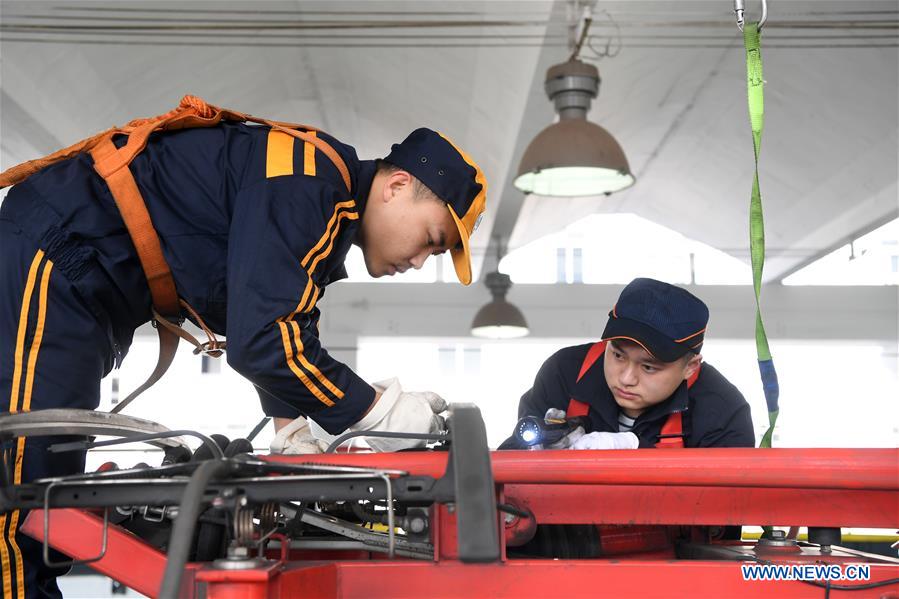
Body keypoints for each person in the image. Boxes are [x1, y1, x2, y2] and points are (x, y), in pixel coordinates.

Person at [0, 98, 486, 598]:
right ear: (397, 185)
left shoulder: (320, 204)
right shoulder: (310, 187)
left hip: (88, 287)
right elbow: (263, 341)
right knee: (24, 501)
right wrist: (378, 412)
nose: (423, 260)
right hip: (59, 255)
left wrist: (289, 428)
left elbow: (264, 317)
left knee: (44, 498)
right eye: (432, 238)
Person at [502, 278, 754, 450]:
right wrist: (540, 452)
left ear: (691, 366)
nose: (626, 378)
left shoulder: (722, 410)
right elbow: (512, 475)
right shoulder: (564, 372)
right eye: (618, 355)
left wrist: (633, 449)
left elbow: (723, 514)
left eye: (648, 367)